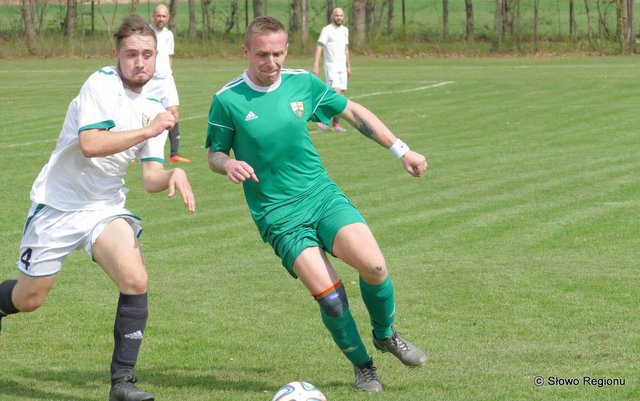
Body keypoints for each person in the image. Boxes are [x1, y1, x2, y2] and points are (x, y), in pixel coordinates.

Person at [206, 16, 427, 393]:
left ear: (286, 50)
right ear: (246, 51)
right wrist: (227, 164)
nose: (271, 62)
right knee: (332, 300)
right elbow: (214, 153)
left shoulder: (302, 83)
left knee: (375, 266)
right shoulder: (227, 100)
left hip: (321, 196)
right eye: (262, 54)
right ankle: (364, 367)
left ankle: (386, 334)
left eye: (278, 53)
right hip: (278, 216)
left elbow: (352, 112)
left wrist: (401, 150)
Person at [0, 15, 196, 401]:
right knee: (29, 299)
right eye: (131, 54)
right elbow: (91, 144)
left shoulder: (153, 106)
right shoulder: (101, 83)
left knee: (135, 279)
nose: (139, 62)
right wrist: (149, 129)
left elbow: (149, 177)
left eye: (147, 55)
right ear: (116, 55)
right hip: (58, 205)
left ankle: (122, 384)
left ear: (157, 57)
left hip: (104, 208)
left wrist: (173, 174)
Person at [145, 3, 191, 163]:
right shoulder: (146, 33)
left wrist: (168, 72)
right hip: (149, 81)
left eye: (164, 16)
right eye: (158, 15)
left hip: (166, 80)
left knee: (174, 112)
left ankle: (174, 154)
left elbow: (169, 56)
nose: (161, 19)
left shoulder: (168, 35)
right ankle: (135, 153)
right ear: (153, 16)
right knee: (143, 114)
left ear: (168, 17)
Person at [312, 7, 351, 133]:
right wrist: (316, 64)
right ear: (332, 16)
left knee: (341, 94)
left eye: (341, 15)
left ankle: (336, 124)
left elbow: (346, 49)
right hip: (331, 66)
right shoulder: (327, 30)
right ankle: (321, 119)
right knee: (335, 92)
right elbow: (319, 46)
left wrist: (348, 66)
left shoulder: (345, 30)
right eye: (337, 15)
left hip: (342, 67)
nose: (339, 17)